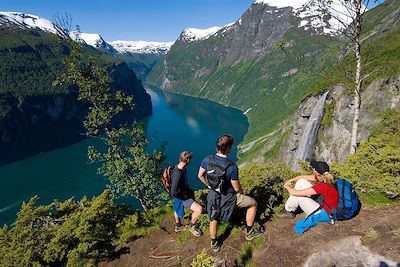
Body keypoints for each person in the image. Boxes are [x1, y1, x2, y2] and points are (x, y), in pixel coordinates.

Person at [198, 134, 263, 253]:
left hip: (213, 195)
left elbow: (200, 175)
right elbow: (236, 186)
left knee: (214, 218)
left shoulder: (207, 159)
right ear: (228, 148)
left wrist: (209, 185)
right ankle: (249, 232)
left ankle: (214, 243)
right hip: (228, 197)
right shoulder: (232, 166)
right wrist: (241, 193)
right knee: (253, 204)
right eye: (231, 146)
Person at [279, 160, 339, 234]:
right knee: (301, 181)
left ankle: (289, 210)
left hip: (325, 214)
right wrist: (289, 180)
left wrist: (287, 186)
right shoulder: (328, 178)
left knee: (297, 196)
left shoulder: (323, 186)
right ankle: (289, 209)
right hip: (328, 205)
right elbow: (302, 177)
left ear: (316, 172)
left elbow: (294, 192)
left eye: (314, 169)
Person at [171, 151, 202, 237]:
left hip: (179, 195)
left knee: (176, 208)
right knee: (199, 209)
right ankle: (192, 226)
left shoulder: (177, 168)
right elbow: (173, 192)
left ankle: (178, 226)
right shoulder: (178, 174)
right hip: (182, 196)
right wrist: (183, 197)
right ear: (188, 160)